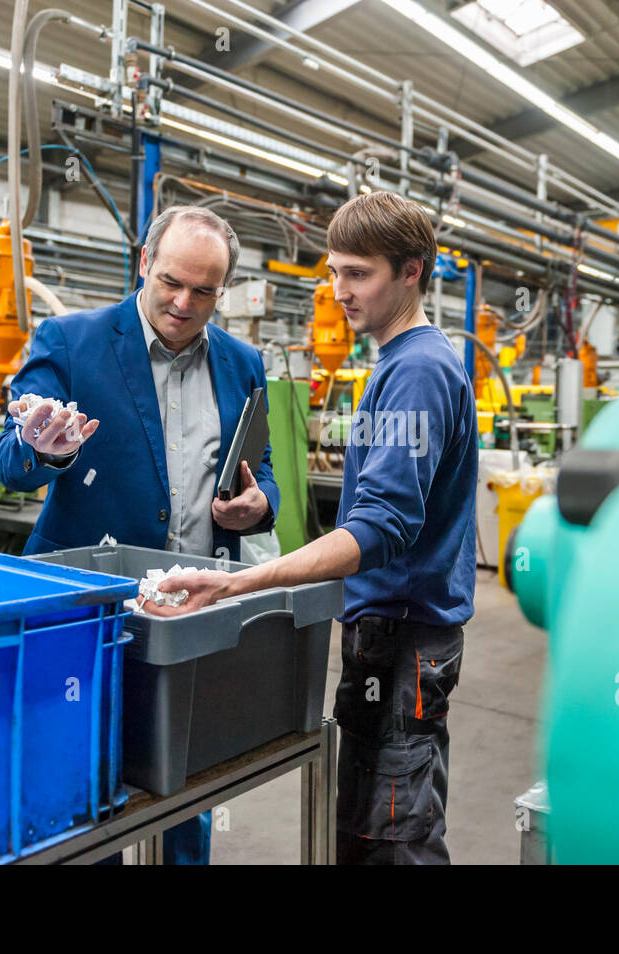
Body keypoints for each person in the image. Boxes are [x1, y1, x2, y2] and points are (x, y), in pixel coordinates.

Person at [153, 191, 479, 865]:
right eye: (335, 272)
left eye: (359, 274)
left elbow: (381, 528)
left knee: (394, 839)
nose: (339, 291)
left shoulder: (416, 368)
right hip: (388, 634)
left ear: (412, 271)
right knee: (368, 828)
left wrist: (244, 582)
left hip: (404, 638)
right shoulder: (398, 361)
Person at [0, 205, 280, 865]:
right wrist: (48, 448)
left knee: (188, 776)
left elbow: (259, 472)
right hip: (87, 617)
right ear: (144, 263)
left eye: (204, 290)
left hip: (193, 610)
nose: (183, 302)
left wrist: (258, 506)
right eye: (172, 280)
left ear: (221, 291)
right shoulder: (70, 341)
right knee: (87, 794)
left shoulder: (243, 364)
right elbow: (11, 461)